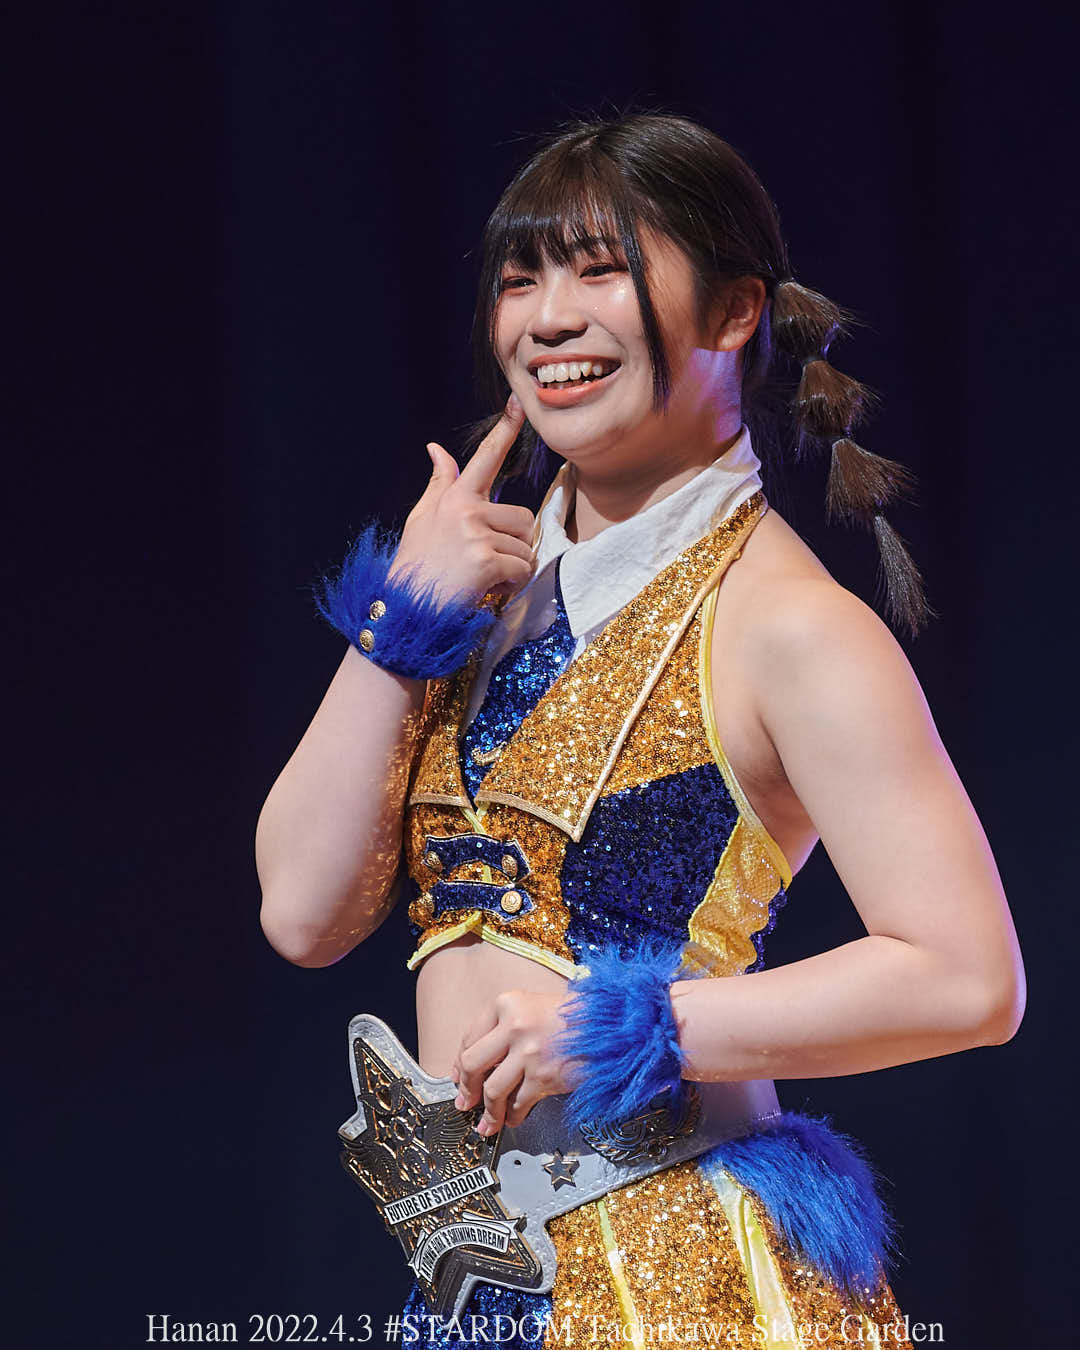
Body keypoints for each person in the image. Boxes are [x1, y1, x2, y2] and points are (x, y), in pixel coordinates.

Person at [255, 115, 1025, 1348]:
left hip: (689, 1268)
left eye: (600, 271)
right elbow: (303, 912)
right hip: (477, 1284)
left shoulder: (791, 627)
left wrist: (629, 1028)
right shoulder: (478, 600)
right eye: (520, 280)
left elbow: (968, 979)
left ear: (733, 311)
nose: (548, 320)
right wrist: (398, 621)